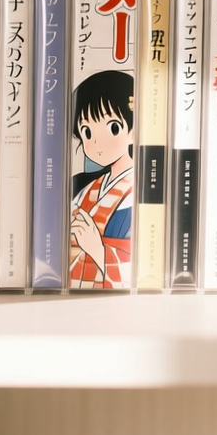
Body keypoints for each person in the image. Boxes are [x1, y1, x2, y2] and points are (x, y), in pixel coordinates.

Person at [68, 70, 134, 289]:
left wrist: (96, 247)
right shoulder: (89, 188)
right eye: (86, 132)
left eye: (113, 127)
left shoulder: (136, 189)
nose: (96, 142)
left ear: (133, 130)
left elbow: (136, 261)